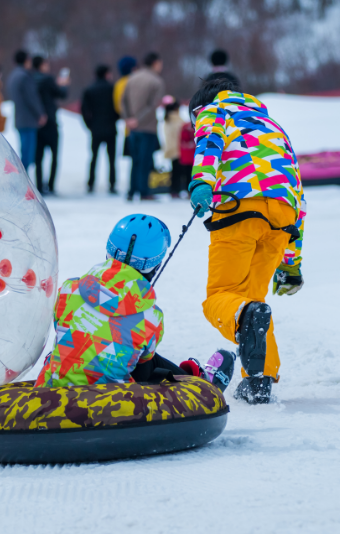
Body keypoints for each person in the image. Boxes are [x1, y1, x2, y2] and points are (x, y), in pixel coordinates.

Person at [188, 77, 306, 405]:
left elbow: (209, 142)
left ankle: (250, 341)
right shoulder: (273, 126)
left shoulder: (213, 111)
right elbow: (298, 193)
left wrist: (201, 182)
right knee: (253, 302)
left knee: (221, 297)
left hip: (240, 209)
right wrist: (291, 263)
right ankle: (259, 380)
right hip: (282, 217)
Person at [36, 213, 236, 390]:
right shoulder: (152, 316)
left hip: (53, 391)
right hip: (112, 402)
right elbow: (144, 366)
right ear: (154, 266)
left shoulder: (68, 290)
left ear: (109, 250)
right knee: (144, 358)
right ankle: (197, 384)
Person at [122, 52, 165, 201]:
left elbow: (123, 100)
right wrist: (138, 120)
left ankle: (131, 190)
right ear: (155, 63)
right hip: (147, 127)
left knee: (135, 160)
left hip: (132, 128)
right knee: (146, 160)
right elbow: (153, 105)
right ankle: (144, 192)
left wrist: (128, 119)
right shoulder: (156, 81)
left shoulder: (132, 78)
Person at [31, 55, 68, 196]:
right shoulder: (48, 79)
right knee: (54, 156)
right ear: (41, 65)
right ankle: (51, 185)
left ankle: (39, 185)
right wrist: (63, 84)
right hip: (51, 122)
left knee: (38, 157)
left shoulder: (31, 79)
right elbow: (61, 94)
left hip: (37, 123)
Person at [5, 50, 46, 175]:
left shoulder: (13, 75)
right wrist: (40, 114)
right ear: (26, 61)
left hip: (19, 119)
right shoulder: (25, 77)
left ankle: (22, 178)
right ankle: (23, 180)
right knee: (27, 155)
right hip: (28, 120)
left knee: (24, 151)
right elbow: (31, 98)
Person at [81, 64, 119, 194]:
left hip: (96, 129)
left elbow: (84, 110)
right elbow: (118, 108)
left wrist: (90, 125)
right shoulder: (113, 89)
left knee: (94, 157)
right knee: (112, 159)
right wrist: (115, 119)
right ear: (107, 74)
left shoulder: (89, 90)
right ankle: (112, 184)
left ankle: (91, 183)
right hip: (111, 128)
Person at [162, 96, 185, 198]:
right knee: (179, 171)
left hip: (171, 148)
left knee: (174, 170)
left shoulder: (167, 118)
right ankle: (176, 189)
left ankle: (174, 190)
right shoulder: (176, 119)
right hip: (178, 149)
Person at [114, 56, 137, 158]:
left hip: (127, 126)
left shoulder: (118, 84)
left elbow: (118, 106)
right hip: (141, 124)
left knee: (134, 161)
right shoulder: (135, 81)